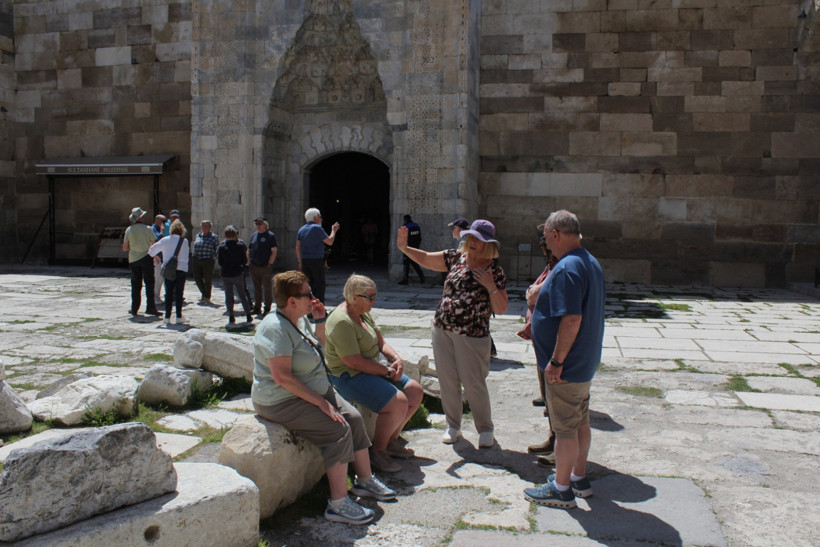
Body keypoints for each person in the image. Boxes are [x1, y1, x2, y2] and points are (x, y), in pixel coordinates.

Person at [252, 270, 396, 525]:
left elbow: (319, 346)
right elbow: (282, 377)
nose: (313, 297)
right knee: (337, 430)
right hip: (281, 399)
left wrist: (319, 320)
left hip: (315, 389)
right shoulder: (275, 327)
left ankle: (364, 481)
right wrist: (320, 402)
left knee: (353, 417)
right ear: (292, 300)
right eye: (307, 294)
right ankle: (338, 504)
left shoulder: (299, 319)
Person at [397, 219, 508, 448]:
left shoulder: (494, 270)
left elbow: (501, 308)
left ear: (488, 244)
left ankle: (485, 428)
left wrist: (490, 286)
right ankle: (453, 425)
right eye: (470, 237)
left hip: (472, 334)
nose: (472, 241)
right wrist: (405, 249)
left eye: (478, 239)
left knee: (473, 382)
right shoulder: (456, 257)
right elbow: (427, 258)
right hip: (442, 328)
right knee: (447, 380)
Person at [523, 210, 606, 509]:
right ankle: (578, 478)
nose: (545, 243)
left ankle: (561, 489)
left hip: (567, 366)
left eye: (545, 237)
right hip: (584, 361)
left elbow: (571, 319)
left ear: (555, 234)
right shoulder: (589, 261)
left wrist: (556, 362)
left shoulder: (568, 268)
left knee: (565, 429)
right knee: (580, 422)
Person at [324, 274, 424, 473]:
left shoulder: (363, 313)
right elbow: (352, 361)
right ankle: (378, 452)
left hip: (372, 368)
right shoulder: (342, 321)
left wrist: (396, 359)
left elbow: (381, 342)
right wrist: (386, 372)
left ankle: (391, 440)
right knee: (399, 402)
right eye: (370, 296)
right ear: (354, 297)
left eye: (374, 295)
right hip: (349, 375)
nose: (374, 300)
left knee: (415, 391)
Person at [517, 225, 559, 462]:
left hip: (554, 341)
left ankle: (560, 447)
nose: (542, 246)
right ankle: (554, 437)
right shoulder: (552, 264)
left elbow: (538, 294)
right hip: (542, 339)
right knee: (548, 393)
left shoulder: (563, 265)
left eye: (545, 241)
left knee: (557, 396)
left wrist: (533, 292)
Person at [149, 219, 190, 325]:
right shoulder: (184, 241)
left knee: (169, 293)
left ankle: (167, 317)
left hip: (169, 270)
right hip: (181, 269)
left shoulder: (165, 240)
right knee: (179, 294)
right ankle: (179, 316)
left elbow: (151, 251)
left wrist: (158, 258)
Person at [296, 208, 339, 303]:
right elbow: (329, 241)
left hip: (305, 260)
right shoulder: (317, 228)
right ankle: (319, 308)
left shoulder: (301, 230)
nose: (321, 219)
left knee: (309, 285)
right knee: (319, 285)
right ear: (315, 217)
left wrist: (300, 262)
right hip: (316, 260)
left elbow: (298, 248)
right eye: (320, 217)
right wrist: (333, 230)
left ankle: (310, 308)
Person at [122, 207, 159, 317]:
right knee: (149, 283)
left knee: (135, 284)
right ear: (141, 218)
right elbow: (154, 244)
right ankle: (151, 307)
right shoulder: (148, 229)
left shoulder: (129, 230)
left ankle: (134, 308)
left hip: (133, 258)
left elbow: (125, 247)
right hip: (146, 257)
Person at [217, 225, 253, 325]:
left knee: (228, 295)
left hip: (226, 274)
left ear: (225, 236)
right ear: (234, 235)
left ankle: (231, 316)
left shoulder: (221, 247)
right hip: (237, 273)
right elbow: (244, 260)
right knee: (242, 294)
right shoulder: (240, 245)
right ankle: (248, 315)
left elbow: (220, 262)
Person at [248, 217, 278, 317]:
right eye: (256, 224)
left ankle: (267, 308)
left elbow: (273, 251)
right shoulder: (253, 236)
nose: (258, 226)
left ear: (265, 224)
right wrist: (249, 262)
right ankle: (257, 307)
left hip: (265, 266)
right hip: (254, 265)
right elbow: (249, 249)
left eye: (260, 223)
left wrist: (269, 263)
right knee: (257, 288)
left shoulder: (270, 236)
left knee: (267, 288)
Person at [191, 220, 219, 303]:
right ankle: (204, 293)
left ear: (210, 228)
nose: (205, 228)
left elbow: (217, 248)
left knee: (207, 279)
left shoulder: (213, 237)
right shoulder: (198, 235)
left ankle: (207, 296)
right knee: (197, 278)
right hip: (197, 259)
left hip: (208, 259)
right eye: (203, 226)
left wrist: (213, 257)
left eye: (207, 226)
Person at [399, 215, 425, 285]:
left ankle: (405, 280)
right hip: (415, 248)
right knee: (414, 263)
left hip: (407, 248)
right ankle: (421, 277)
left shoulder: (406, 227)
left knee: (406, 264)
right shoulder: (416, 226)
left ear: (405, 220)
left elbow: (403, 238)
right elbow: (419, 238)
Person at [151, 214, 167, 306]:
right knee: (158, 278)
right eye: (162, 221)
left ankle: (158, 295)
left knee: (161, 278)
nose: (164, 224)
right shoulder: (153, 229)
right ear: (157, 220)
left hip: (162, 257)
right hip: (157, 257)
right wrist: (161, 230)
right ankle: (155, 296)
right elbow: (159, 239)